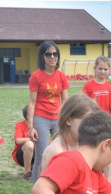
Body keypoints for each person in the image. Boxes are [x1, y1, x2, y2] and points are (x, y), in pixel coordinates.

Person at [26, 41, 69, 183]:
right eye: (48, 54)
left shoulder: (61, 76)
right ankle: (37, 188)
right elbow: (32, 102)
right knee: (42, 154)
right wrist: (30, 127)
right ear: (42, 56)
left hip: (58, 118)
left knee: (61, 152)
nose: (52, 57)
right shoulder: (36, 77)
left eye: (55, 54)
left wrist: (68, 118)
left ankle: (57, 183)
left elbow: (65, 99)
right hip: (41, 118)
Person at [40, 93, 99, 175]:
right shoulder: (57, 152)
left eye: (93, 122)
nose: (90, 126)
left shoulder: (86, 144)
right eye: (85, 121)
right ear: (68, 120)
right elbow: (44, 187)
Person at [12, 105, 35, 181]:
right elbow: (18, 141)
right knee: (29, 144)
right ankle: (27, 173)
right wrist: (31, 138)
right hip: (21, 155)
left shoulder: (39, 125)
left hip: (36, 155)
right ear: (28, 116)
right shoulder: (20, 125)